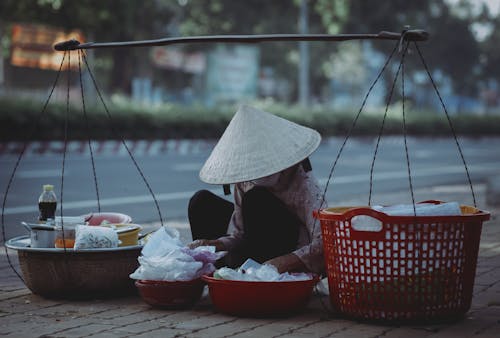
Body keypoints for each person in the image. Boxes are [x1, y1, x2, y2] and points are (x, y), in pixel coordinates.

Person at [188, 104, 326, 275]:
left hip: (288, 251)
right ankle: (215, 271)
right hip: (251, 243)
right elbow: (240, 233)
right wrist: (214, 244)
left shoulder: (303, 183)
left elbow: (325, 240)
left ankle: (254, 275)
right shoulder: (245, 179)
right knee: (201, 201)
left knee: (256, 198)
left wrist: (286, 261)